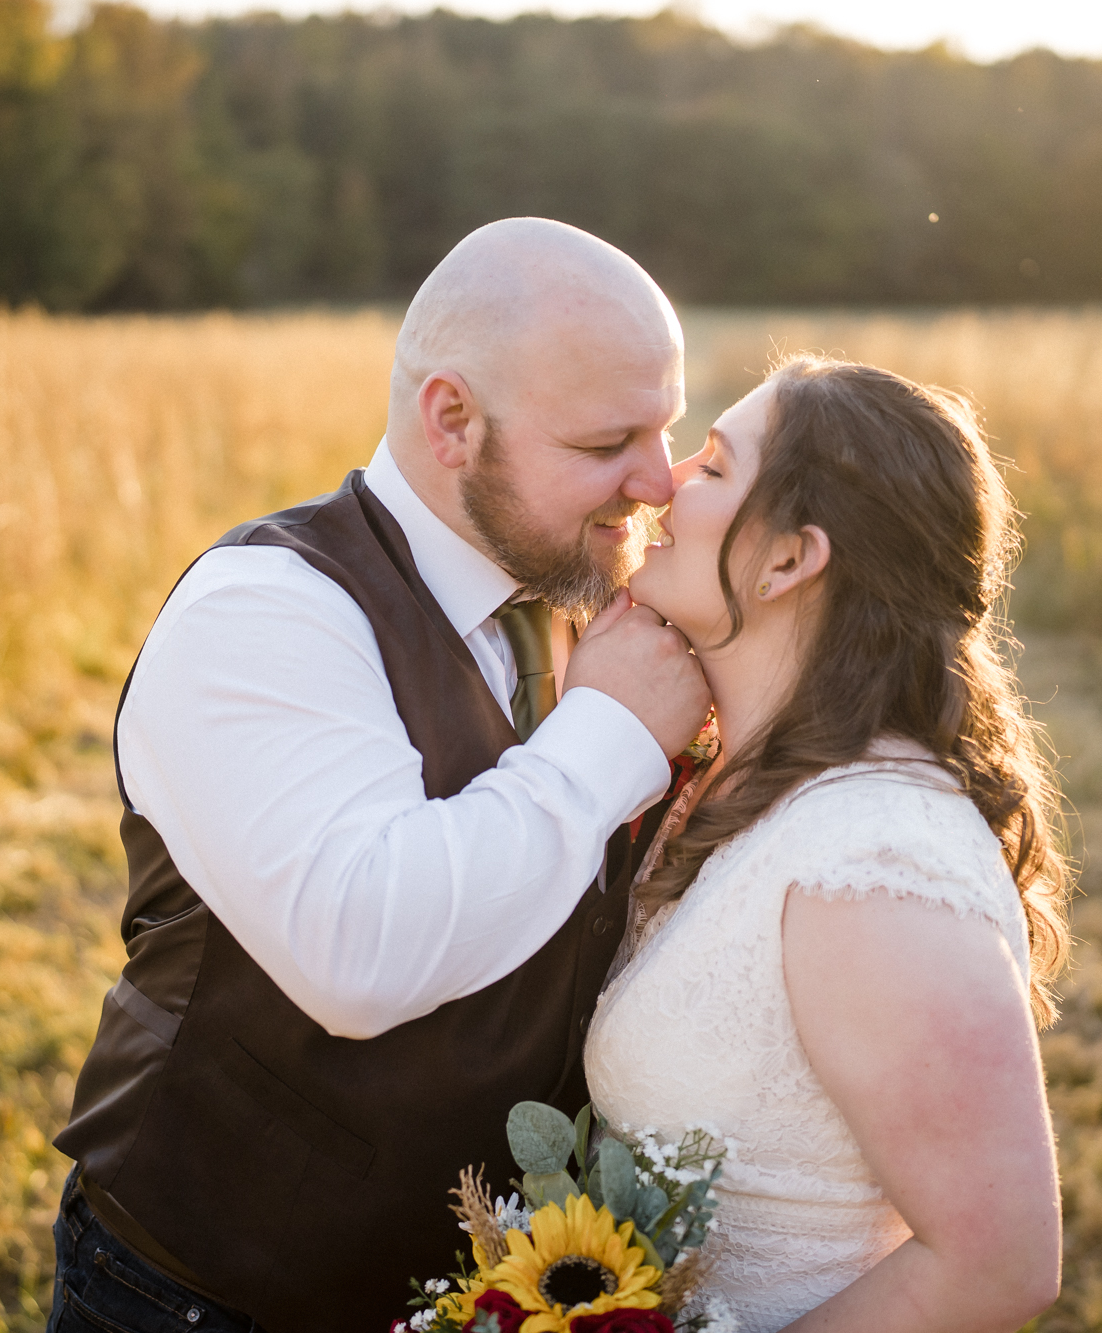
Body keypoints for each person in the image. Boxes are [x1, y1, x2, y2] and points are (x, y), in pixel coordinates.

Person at [47, 218, 712, 1333]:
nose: (655, 481)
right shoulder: (266, 612)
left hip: (472, 1294)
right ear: (450, 419)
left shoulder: (574, 588)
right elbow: (359, 949)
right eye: (606, 444)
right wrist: (609, 733)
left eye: (667, 427)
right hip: (205, 1295)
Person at [585, 356, 1071, 1332]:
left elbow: (998, 1263)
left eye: (714, 467)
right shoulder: (737, 775)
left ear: (789, 560)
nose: (664, 482)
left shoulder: (873, 856)